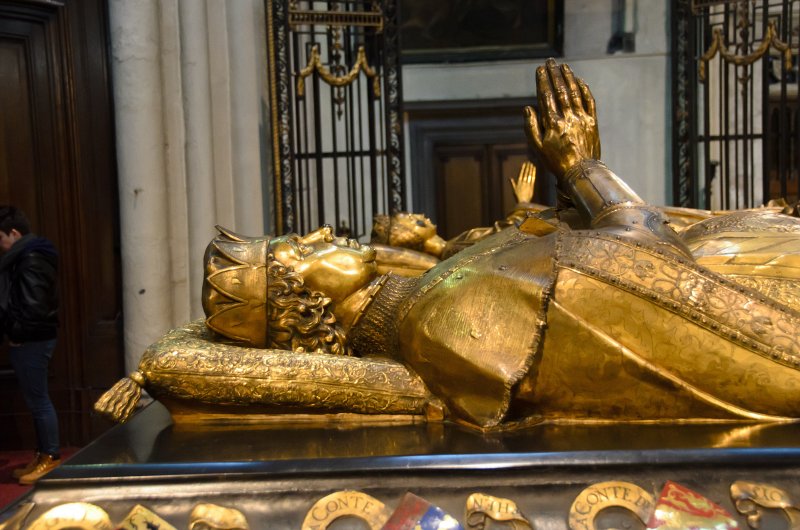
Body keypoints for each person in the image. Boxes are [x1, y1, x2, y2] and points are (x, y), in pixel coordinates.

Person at [96, 59, 800, 430]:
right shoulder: (449, 325)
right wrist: (581, 166)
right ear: (304, 311)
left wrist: (570, 188)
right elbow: (660, 284)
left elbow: (595, 260)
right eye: (300, 249)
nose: (318, 232)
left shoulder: (441, 287)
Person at [0, 206, 60, 483]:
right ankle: (41, 454)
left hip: (32, 339)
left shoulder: (31, 258)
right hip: (32, 336)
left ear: (14, 233)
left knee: (39, 401)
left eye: (0, 238)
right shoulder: (28, 255)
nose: (0, 246)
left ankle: (50, 458)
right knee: (36, 400)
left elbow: (34, 307)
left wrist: (17, 333)